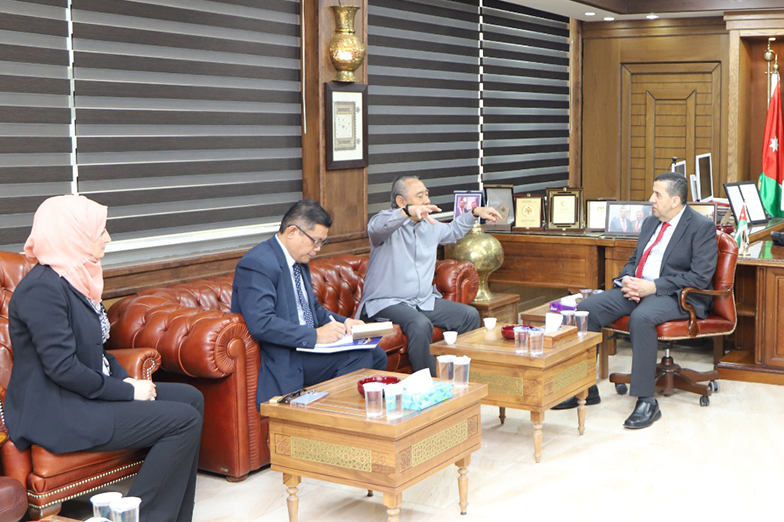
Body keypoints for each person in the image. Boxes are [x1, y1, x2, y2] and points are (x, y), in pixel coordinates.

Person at [4, 195, 203, 522]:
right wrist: (128, 392)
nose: (108, 237)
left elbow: (95, 353)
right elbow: (63, 368)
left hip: (81, 398)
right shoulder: (42, 290)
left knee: (191, 399)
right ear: (73, 235)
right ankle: (138, 517)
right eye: (100, 231)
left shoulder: (74, 280)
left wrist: (126, 380)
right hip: (59, 411)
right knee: (183, 420)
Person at [558, 172, 717, 429]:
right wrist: (627, 281)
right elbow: (635, 260)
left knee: (641, 318)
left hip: (677, 295)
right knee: (586, 310)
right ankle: (583, 388)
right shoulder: (651, 222)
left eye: (657, 194)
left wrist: (653, 286)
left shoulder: (701, 226)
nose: (650, 199)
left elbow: (700, 276)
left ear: (675, 200)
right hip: (638, 289)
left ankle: (647, 401)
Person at [232, 200, 387, 407]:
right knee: (358, 358)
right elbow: (262, 324)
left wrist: (346, 323)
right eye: (316, 241)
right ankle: (333, 419)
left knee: (377, 354)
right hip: (284, 354)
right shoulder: (257, 264)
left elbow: (312, 309)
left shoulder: (298, 261)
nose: (318, 249)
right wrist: (315, 336)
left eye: (322, 243)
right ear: (292, 231)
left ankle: (350, 415)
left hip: (305, 347)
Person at [357, 177, 502, 374]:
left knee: (469, 316)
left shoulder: (429, 225)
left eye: (426, 194)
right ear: (401, 201)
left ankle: (458, 375)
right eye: (420, 196)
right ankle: (429, 383)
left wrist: (475, 213)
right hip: (387, 302)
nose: (426, 200)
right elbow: (376, 228)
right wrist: (407, 212)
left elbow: (453, 230)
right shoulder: (386, 224)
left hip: (422, 300)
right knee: (419, 324)